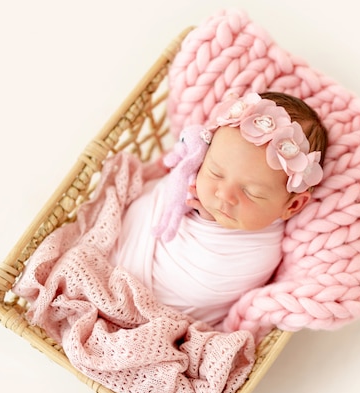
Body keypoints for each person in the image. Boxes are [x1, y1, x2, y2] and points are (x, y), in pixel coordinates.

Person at [109, 91, 328, 327]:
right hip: (119, 258)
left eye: (250, 192)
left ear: (292, 205)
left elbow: (200, 292)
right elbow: (157, 195)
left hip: (161, 315)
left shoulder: (261, 252)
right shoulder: (192, 179)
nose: (223, 194)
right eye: (215, 172)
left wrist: (208, 221)